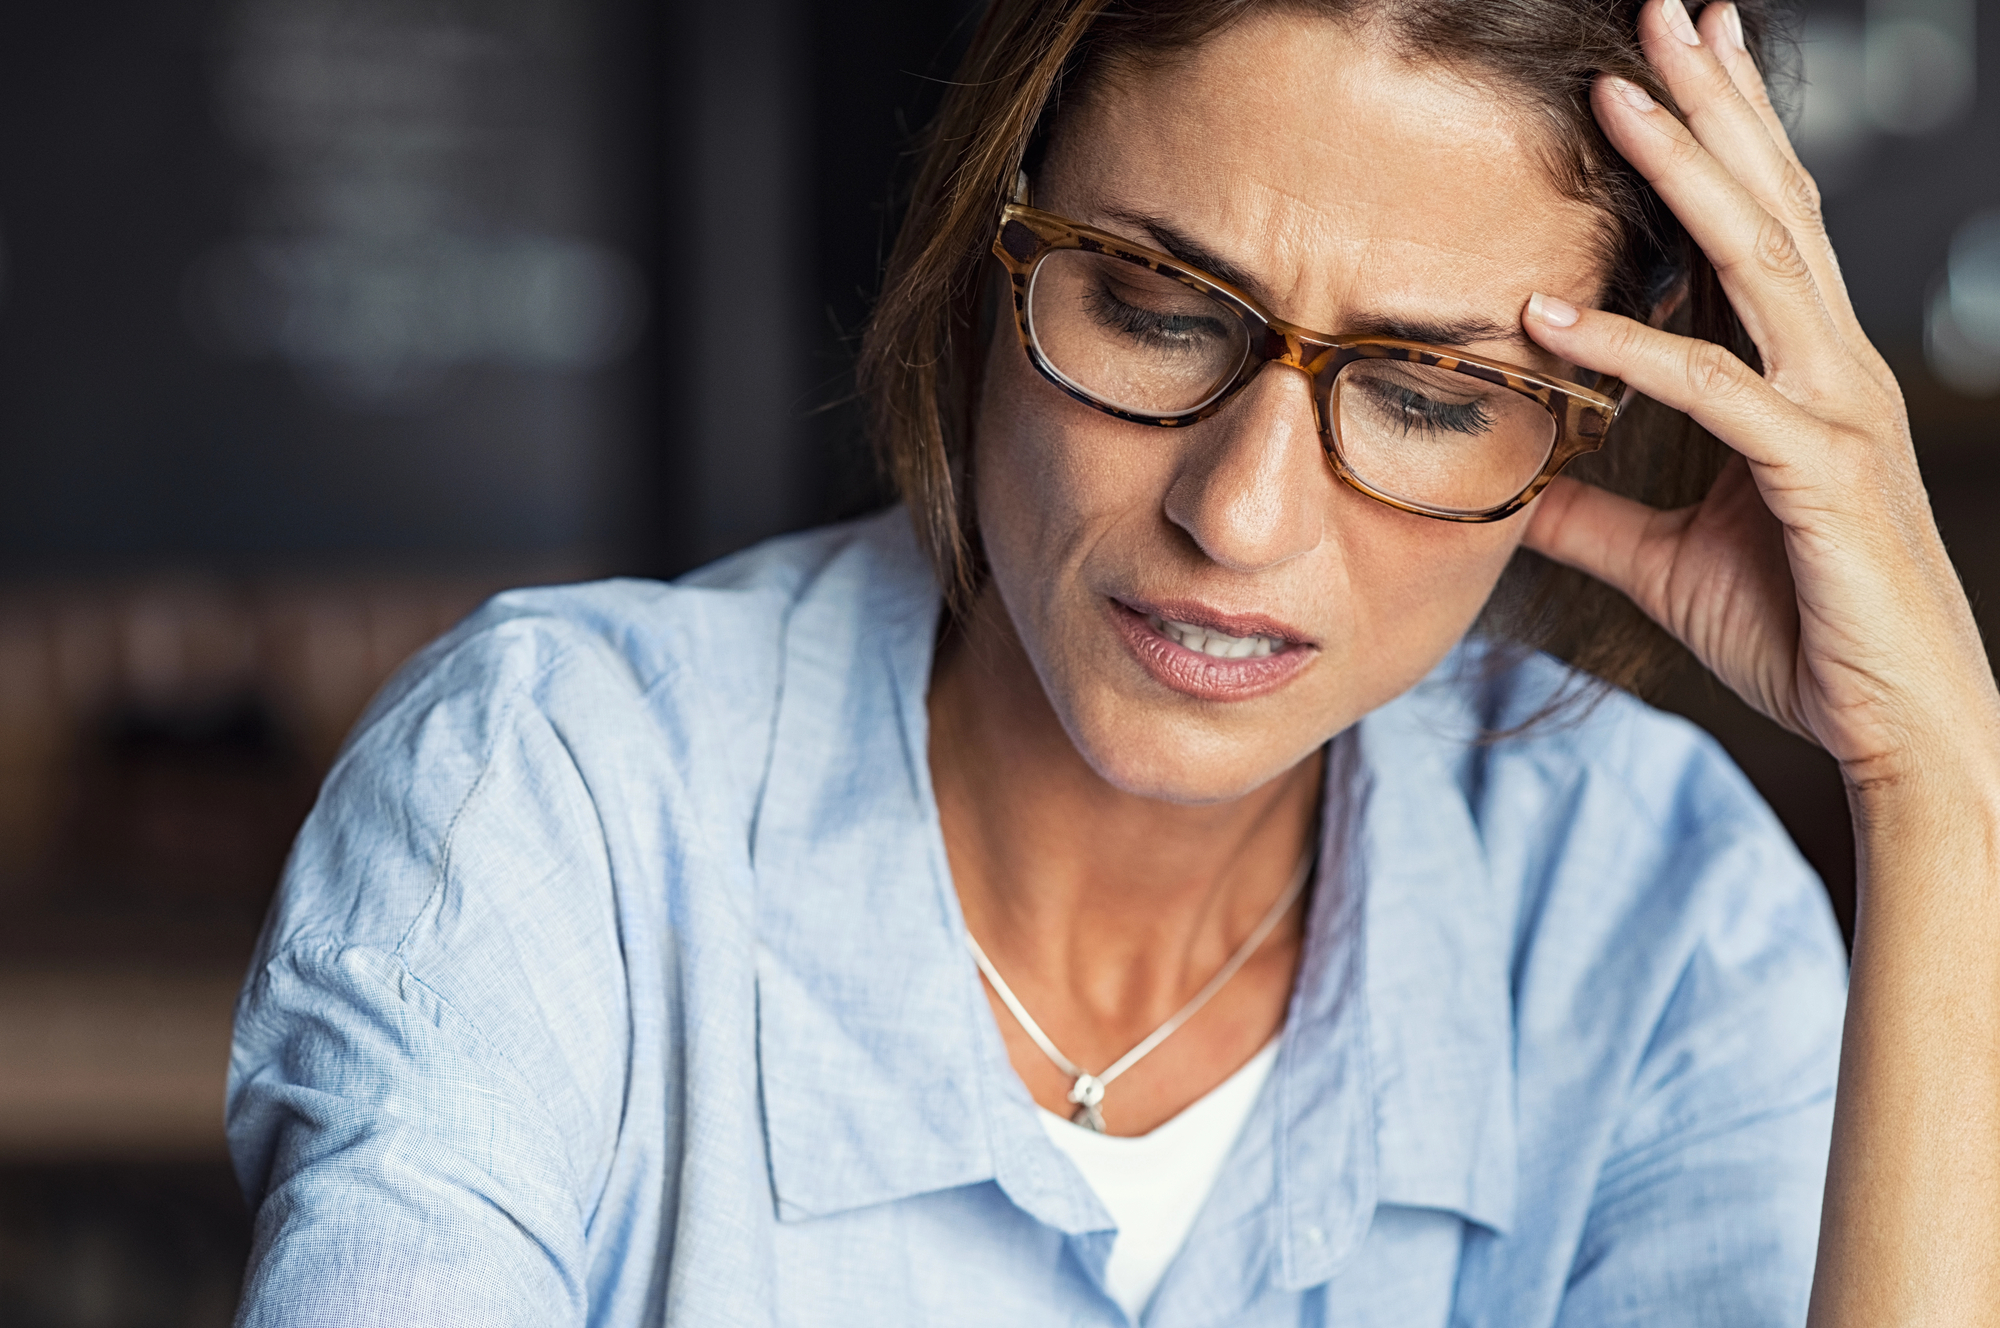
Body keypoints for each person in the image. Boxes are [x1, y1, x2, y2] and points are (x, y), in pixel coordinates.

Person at [225, 0, 2000, 1323]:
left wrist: (1941, 793)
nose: (1241, 515)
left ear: (1584, 427)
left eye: (1431, 397)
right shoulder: (556, 803)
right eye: (1156, 310)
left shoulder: (1652, 914)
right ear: (988, 249)